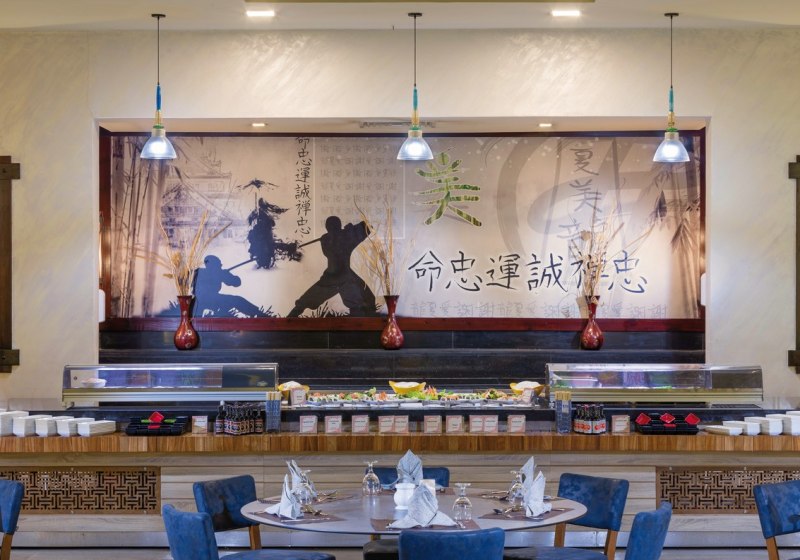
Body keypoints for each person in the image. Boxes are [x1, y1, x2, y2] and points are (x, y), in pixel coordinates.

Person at [288, 216, 377, 317]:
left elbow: (367, 227)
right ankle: (289, 320)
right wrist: (351, 230)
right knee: (305, 301)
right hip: (339, 277)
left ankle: (363, 319)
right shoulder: (338, 238)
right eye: (332, 226)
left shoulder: (329, 238)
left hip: (336, 277)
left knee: (366, 298)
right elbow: (366, 227)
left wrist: (351, 229)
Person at [193, 255, 266, 317]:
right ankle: (258, 314)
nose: (220, 266)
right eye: (219, 265)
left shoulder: (218, 273)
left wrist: (226, 275)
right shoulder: (200, 272)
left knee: (236, 300)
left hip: (207, 300)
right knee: (236, 300)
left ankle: (257, 314)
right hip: (203, 301)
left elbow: (237, 282)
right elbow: (237, 282)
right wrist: (224, 274)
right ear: (213, 265)